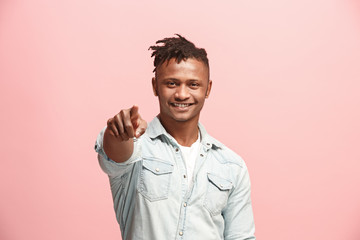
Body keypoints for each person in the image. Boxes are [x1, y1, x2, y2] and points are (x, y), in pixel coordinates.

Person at [94, 34, 256, 240]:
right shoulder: (136, 146)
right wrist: (118, 131)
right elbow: (116, 153)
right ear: (155, 86)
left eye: (193, 85)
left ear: (208, 89)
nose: (181, 94)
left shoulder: (232, 166)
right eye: (171, 83)